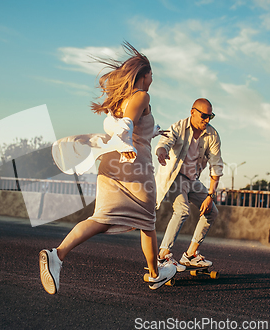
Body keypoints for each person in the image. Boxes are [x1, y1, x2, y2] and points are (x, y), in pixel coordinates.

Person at [39, 42, 175, 294]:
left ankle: (57, 255)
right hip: (134, 166)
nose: (153, 79)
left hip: (111, 164)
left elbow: (129, 127)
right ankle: (155, 274)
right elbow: (127, 125)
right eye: (152, 74)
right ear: (143, 75)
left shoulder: (119, 99)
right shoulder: (141, 95)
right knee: (147, 222)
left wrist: (151, 133)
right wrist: (128, 139)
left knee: (100, 218)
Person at [154, 98, 223, 269]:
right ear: (192, 112)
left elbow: (216, 166)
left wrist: (210, 196)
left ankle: (190, 254)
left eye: (210, 117)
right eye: (204, 116)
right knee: (182, 210)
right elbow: (165, 141)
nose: (207, 120)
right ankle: (162, 256)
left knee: (212, 212)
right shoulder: (179, 127)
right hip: (175, 177)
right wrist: (162, 151)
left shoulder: (212, 135)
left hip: (193, 180)